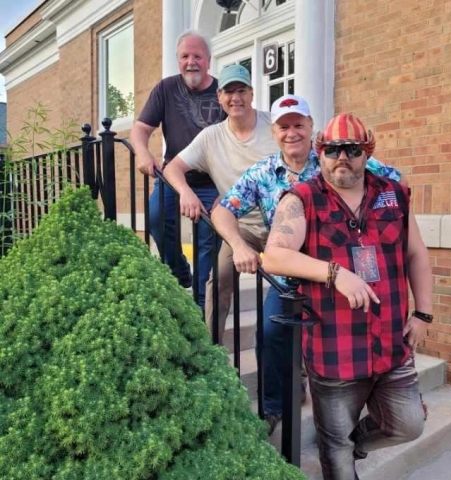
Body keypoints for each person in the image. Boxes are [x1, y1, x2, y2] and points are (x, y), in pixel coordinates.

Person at [211, 96, 404, 436]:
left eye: (299, 124)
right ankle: (273, 406)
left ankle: (361, 415)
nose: (291, 133)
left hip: (341, 275)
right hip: (293, 277)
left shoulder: (335, 156)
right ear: (274, 131)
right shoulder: (263, 173)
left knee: (354, 338)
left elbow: (393, 180)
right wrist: (239, 244)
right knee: (271, 332)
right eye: (284, 126)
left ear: (311, 128)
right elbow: (223, 209)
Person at [262, 113, 433, 479]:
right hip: (333, 350)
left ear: (366, 153)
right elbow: (274, 255)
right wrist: (335, 274)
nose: (343, 156)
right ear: (320, 152)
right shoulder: (302, 198)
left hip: (390, 343)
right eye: (334, 149)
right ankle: (341, 446)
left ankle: (356, 441)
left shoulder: (394, 194)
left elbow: (416, 253)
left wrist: (424, 314)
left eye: (352, 149)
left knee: (409, 424)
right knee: (336, 455)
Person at [162, 63, 277, 330]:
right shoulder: (210, 137)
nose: (235, 97)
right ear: (219, 97)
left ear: (251, 93)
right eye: (228, 91)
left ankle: (298, 360)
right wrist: (186, 192)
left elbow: (313, 146)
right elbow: (172, 168)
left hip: (280, 223)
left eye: (241, 90)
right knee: (219, 280)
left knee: (288, 288)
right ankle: (211, 353)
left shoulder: (275, 125)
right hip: (239, 227)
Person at [130, 30, 225, 310]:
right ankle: (178, 270)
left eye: (197, 56)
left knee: (209, 240)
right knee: (156, 217)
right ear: (178, 60)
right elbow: (141, 129)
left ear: (208, 60)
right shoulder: (166, 88)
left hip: (212, 182)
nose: (191, 62)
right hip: (174, 176)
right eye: (185, 56)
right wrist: (143, 153)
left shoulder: (223, 93)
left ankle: (198, 307)